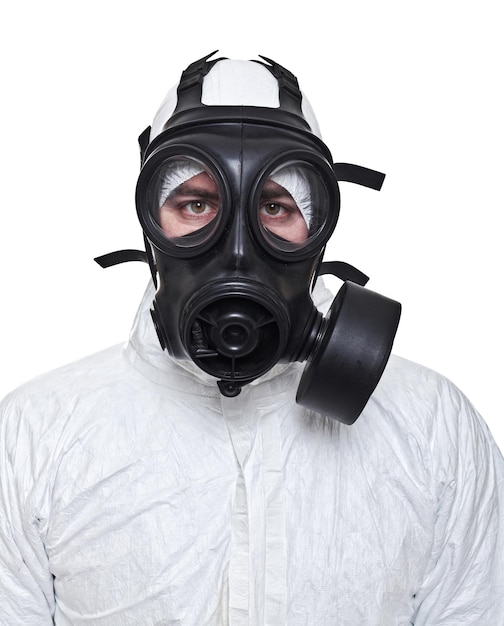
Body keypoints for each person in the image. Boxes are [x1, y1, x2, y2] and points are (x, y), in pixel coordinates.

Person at [1, 52, 503, 625]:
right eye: (196, 204)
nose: (238, 248)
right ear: (148, 224)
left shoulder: (434, 430)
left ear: (318, 230)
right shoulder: (33, 436)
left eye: (274, 206)